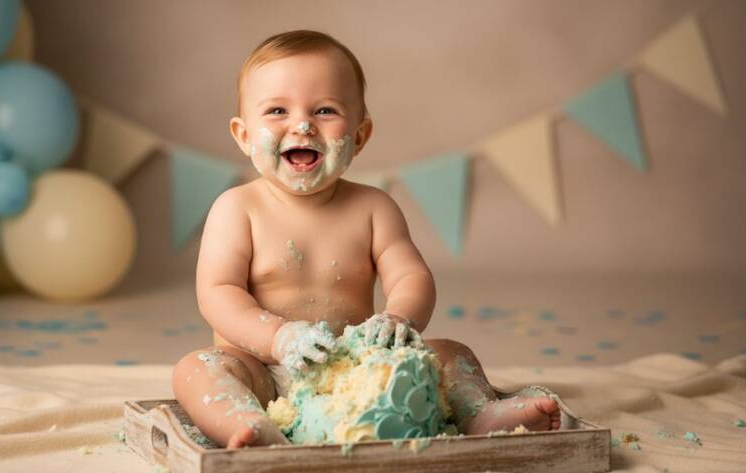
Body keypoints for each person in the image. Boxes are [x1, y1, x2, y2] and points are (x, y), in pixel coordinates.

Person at [172, 30, 561, 448]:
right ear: (244, 135)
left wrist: (400, 318)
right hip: (263, 371)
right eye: (277, 110)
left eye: (324, 110)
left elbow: (411, 276)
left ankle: (479, 413)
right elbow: (218, 293)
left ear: (359, 136)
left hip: (362, 373)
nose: (301, 125)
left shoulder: (374, 209)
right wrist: (277, 338)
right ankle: (245, 423)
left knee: (451, 352)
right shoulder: (237, 209)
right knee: (197, 369)